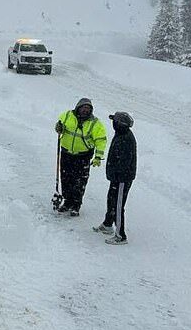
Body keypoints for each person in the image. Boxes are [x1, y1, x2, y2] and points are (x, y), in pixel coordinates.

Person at [54, 98, 107, 216]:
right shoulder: (67, 115)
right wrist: (58, 128)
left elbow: (101, 140)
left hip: (83, 156)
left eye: (88, 109)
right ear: (78, 107)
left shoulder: (95, 123)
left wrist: (98, 156)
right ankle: (67, 202)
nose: (85, 110)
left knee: (80, 181)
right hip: (66, 153)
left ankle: (76, 205)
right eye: (83, 108)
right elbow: (59, 126)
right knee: (66, 179)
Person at [93, 112, 137, 245]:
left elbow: (124, 161)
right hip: (116, 177)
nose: (113, 124)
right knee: (111, 199)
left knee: (118, 205)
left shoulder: (126, 139)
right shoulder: (121, 134)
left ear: (119, 124)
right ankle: (107, 224)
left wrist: (118, 175)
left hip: (122, 178)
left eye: (115, 121)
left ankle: (120, 235)